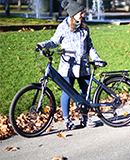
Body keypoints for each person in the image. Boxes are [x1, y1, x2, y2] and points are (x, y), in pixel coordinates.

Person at [36, 0, 101, 130]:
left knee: (85, 92)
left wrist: (96, 58)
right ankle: (67, 120)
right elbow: (54, 42)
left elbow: (89, 46)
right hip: (68, 66)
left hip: (83, 65)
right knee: (66, 92)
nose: (82, 15)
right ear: (72, 14)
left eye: (83, 12)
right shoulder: (63, 27)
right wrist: (43, 44)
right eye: (80, 13)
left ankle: (85, 118)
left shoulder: (84, 27)